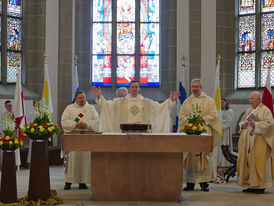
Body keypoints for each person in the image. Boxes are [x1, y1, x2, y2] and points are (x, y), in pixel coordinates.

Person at [178, 78, 221, 192]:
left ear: (201, 87)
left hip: (204, 131)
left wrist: (203, 119)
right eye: (193, 87)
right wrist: (191, 120)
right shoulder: (187, 101)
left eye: (197, 87)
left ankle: (204, 183)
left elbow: (214, 116)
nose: (195, 89)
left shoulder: (209, 101)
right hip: (190, 133)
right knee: (190, 157)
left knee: (204, 156)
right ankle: (190, 183)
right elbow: (181, 117)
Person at [91, 80, 180, 133]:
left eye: (136, 87)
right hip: (125, 132)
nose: (134, 89)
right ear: (129, 89)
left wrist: (170, 100)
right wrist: (100, 96)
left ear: (139, 89)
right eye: (132, 87)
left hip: (142, 132)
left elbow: (159, 107)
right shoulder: (121, 101)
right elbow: (107, 105)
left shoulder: (146, 102)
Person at [61, 91, 99, 190]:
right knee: (71, 159)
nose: (82, 100)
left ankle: (83, 182)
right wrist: (75, 124)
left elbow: (97, 121)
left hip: (86, 138)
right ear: (76, 98)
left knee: (84, 160)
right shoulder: (69, 108)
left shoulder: (91, 108)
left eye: (84, 98)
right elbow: (64, 121)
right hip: (73, 138)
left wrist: (87, 124)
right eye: (80, 98)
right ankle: (68, 181)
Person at [237, 91, 274, 194]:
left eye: (253, 98)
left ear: (259, 99)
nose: (251, 101)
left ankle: (259, 186)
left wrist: (256, 124)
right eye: (250, 99)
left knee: (257, 161)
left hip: (259, 142)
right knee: (249, 161)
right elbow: (242, 121)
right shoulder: (248, 111)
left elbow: (270, 125)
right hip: (248, 143)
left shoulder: (265, 110)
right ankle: (250, 184)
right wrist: (242, 125)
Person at [1, 100, 21, 169]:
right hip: (7, 135)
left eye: (11, 105)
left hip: (14, 134)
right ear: (5, 107)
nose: (10, 107)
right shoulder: (4, 115)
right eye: (8, 105)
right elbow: (5, 125)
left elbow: (18, 123)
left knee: (15, 150)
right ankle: (6, 165)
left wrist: (17, 125)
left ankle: (16, 165)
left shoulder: (15, 114)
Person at [217, 98, 234, 168]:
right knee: (220, 145)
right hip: (220, 131)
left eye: (223, 102)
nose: (221, 104)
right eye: (220, 102)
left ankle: (226, 163)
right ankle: (220, 162)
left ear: (226, 103)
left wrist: (219, 123)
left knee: (225, 145)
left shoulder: (229, 111)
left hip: (226, 131)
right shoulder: (219, 111)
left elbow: (229, 122)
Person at [27, 100, 41, 164]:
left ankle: (40, 160)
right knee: (32, 147)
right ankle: (31, 161)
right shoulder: (31, 113)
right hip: (33, 134)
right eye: (36, 104)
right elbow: (30, 123)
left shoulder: (41, 113)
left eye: (38, 104)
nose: (37, 105)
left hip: (41, 134)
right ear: (33, 105)